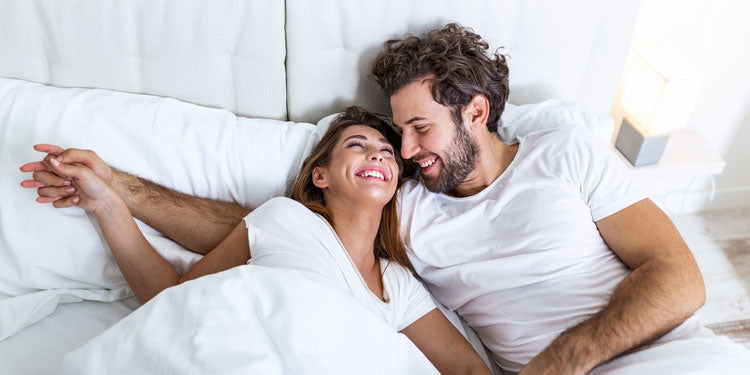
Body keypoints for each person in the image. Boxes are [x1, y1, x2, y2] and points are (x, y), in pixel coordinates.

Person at [21, 24, 750, 374]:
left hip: (658, 356)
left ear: (475, 112)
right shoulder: (407, 203)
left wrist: (565, 359)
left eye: (415, 128)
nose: (401, 152)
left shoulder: (565, 152)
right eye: (384, 136)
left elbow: (679, 277)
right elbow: (266, 231)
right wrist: (120, 190)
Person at [22, 107, 490, 375]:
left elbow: (469, 370)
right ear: (320, 175)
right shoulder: (282, 218)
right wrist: (108, 206)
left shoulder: (398, 285)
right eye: (358, 145)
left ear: (394, 186)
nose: (377, 155)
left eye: (388, 154)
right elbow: (174, 302)